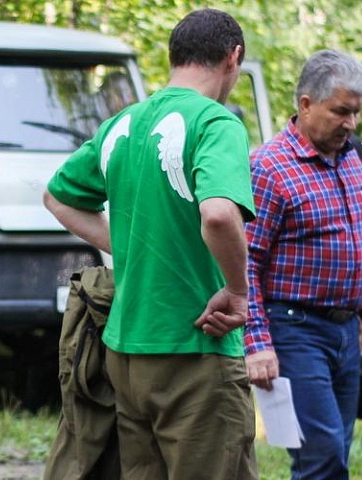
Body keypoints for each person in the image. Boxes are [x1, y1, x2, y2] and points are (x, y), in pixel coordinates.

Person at [43, 8, 258, 479]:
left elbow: (56, 197)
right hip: (195, 349)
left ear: (175, 57)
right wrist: (239, 291)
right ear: (232, 57)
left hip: (126, 352)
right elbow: (219, 214)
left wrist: (129, 245)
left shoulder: (124, 123)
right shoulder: (215, 123)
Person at [241, 49, 362, 479]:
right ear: (306, 104)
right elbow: (245, 262)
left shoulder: (357, 158)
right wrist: (257, 344)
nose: (350, 123)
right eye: (341, 112)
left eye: (356, 113)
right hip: (293, 331)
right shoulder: (269, 168)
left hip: (346, 332)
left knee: (337, 453)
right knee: (322, 456)